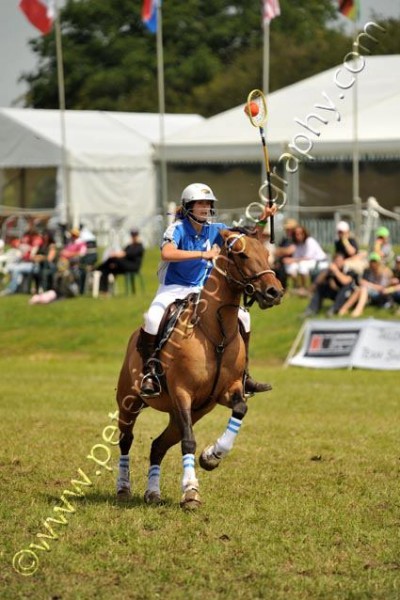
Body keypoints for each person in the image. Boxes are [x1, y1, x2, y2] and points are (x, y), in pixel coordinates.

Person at [137, 182, 277, 397]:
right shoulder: (177, 228)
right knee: (153, 319)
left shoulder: (217, 230)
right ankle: (150, 372)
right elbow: (167, 253)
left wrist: (263, 217)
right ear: (188, 206)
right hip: (174, 288)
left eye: (207, 203)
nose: (204, 207)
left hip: (204, 291)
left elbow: (246, 240)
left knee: (244, 318)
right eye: (199, 203)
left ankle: (244, 375)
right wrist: (203, 255)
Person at [302, 253, 358, 317]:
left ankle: (334, 309)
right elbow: (317, 282)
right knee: (321, 286)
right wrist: (326, 272)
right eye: (336, 261)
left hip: (349, 296)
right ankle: (312, 309)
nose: (338, 263)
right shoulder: (331, 270)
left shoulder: (349, 270)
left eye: (339, 261)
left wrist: (336, 271)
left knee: (347, 286)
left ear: (343, 261)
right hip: (336, 293)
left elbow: (345, 281)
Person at [338, 252, 393, 317]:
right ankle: (344, 309)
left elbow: (383, 288)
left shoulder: (384, 272)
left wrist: (368, 284)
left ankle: (358, 310)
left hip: (381, 295)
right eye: (371, 261)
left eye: (374, 261)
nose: (372, 263)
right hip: (370, 291)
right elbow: (362, 281)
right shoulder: (368, 271)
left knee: (363, 289)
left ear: (378, 262)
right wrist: (366, 284)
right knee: (360, 289)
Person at [284, 225, 328, 294]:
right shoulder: (297, 244)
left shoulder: (310, 241)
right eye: (296, 234)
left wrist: (292, 260)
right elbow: (297, 257)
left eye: (300, 234)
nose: (298, 236)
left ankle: (305, 288)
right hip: (307, 261)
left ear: (304, 234)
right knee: (291, 266)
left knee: (302, 265)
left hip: (319, 262)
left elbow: (308, 257)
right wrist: (291, 261)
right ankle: (298, 286)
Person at [97, 229, 144, 293]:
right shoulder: (129, 246)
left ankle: (97, 268)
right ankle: (104, 291)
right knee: (107, 269)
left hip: (133, 266)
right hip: (124, 265)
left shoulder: (139, 246)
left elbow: (124, 254)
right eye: (132, 235)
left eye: (135, 235)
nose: (133, 237)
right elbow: (122, 252)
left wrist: (114, 255)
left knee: (112, 259)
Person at [272, 218, 297, 289]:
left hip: (292, 260)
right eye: (287, 229)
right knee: (275, 267)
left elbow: (290, 251)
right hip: (282, 260)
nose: (287, 231)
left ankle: (284, 287)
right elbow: (276, 251)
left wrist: (282, 251)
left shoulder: (295, 239)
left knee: (282, 268)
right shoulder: (285, 239)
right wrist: (283, 251)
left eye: (290, 229)